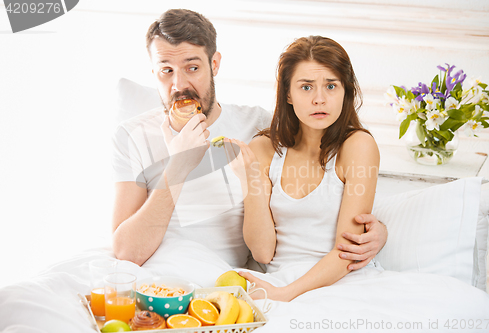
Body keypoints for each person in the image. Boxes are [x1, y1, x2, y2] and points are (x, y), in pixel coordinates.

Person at [111, 9, 387, 273]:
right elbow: (126, 252)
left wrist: (379, 232)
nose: (179, 84)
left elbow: (324, 184)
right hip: (154, 277)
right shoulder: (131, 136)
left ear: (214, 64)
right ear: (153, 73)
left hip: (226, 281)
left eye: (192, 67)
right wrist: (179, 166)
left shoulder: (260, 128)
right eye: (166, 71)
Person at [227, 35, 380, 301]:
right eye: (306, 87)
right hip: (277, 278)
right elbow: (263, 253)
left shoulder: (358, 146)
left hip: (340, 282)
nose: (319, 99)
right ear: (288, 93)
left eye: (331, 86)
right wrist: (250, 179)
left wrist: (285, 295)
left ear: (346, 91)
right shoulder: (264, 148)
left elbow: (347, 251)